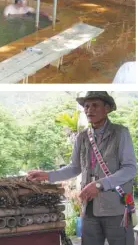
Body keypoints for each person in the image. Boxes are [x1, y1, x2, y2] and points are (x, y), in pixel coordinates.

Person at [28, 92, 136, 245]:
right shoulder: (83, 137)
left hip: (116, 209)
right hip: (89, 208)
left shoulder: (120, 133)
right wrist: (47, 175)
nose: (89, 110)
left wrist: (100, 184)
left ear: (106, 108)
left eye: (95, 105)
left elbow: (130, 169)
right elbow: (75, 168)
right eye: (86, 106)